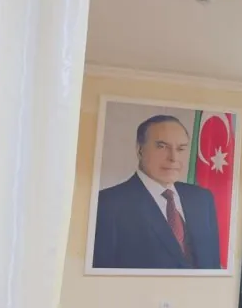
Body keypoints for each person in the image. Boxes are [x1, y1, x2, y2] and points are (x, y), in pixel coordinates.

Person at [92, 115, 221, 269]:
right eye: (162, 147)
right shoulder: (108, 204)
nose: (173, 158)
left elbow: (213, 266)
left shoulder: (202, 199)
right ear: (140, 150)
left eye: (180, 149)